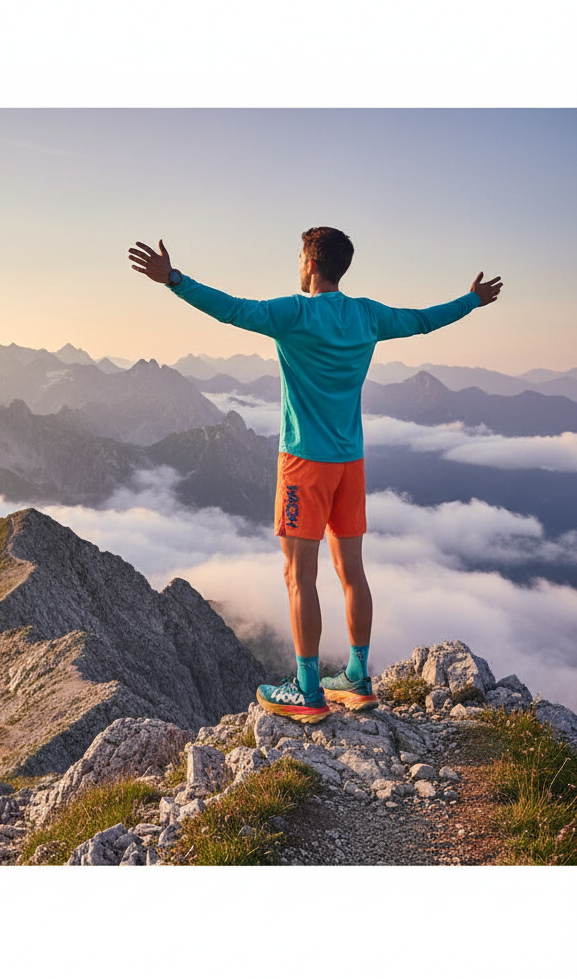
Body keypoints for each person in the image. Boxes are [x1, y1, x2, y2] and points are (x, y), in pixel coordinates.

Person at [128, 227, 502, 724]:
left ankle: (307, 690)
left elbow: (233, 309)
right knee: (352, 572)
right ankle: (358, 678)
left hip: (305, 463)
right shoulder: (367, 315)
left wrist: (174, 279)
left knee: (298, 575)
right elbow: (423, 321)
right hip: (352, 463)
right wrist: (471, 301)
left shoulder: (294, 313)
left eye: (298, 256)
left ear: (309, 262)